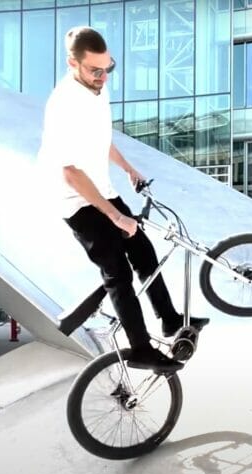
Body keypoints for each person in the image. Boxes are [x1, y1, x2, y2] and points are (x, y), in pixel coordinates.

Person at [38, 25, 207, 370]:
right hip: (74, 199)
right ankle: (141, 350)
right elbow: (69, 173)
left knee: (143, 250)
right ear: (73, 63)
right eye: (94, 70)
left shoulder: (98, 89)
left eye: (107, 68)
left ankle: (171, 320)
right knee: (117, 272)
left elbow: (101, 138)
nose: (102, 77)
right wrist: (116, 217)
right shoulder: (63, 105)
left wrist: (128, 168)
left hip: (101, 189)